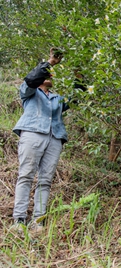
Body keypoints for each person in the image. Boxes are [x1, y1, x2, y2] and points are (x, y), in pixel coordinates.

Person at [11, 48, 78, 233]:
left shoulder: (57, 98)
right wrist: (51, 62)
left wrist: (79, 76)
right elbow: (32, 79)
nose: (48, 76)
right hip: (32, 133)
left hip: (54, 139)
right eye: (46, 73)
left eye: (50, 74)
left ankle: (38, 221)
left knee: (46, 180)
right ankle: (19, 220)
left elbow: (76, 98)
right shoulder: (29, 91)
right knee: (26, 175)